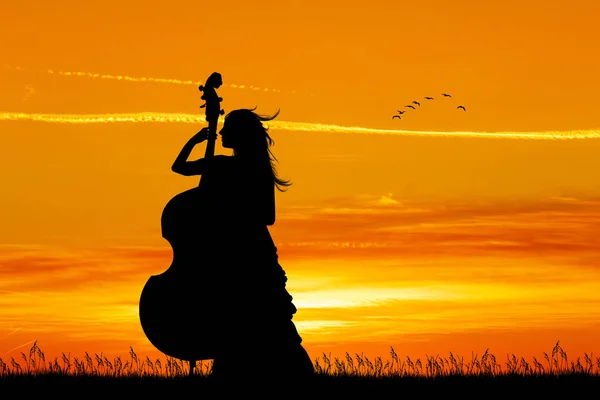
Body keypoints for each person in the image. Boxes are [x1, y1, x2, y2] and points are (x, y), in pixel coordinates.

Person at [171, 108, 314, 384]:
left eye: (227, 129)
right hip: (243, 253)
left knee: (253, 320)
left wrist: (226, 208)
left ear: (240, 135)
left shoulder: (234, 167)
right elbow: (178, 168)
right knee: (247, 322)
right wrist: (198, 139)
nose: (221, 133)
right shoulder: (226, 165)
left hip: (249, 257)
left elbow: (267, 216)